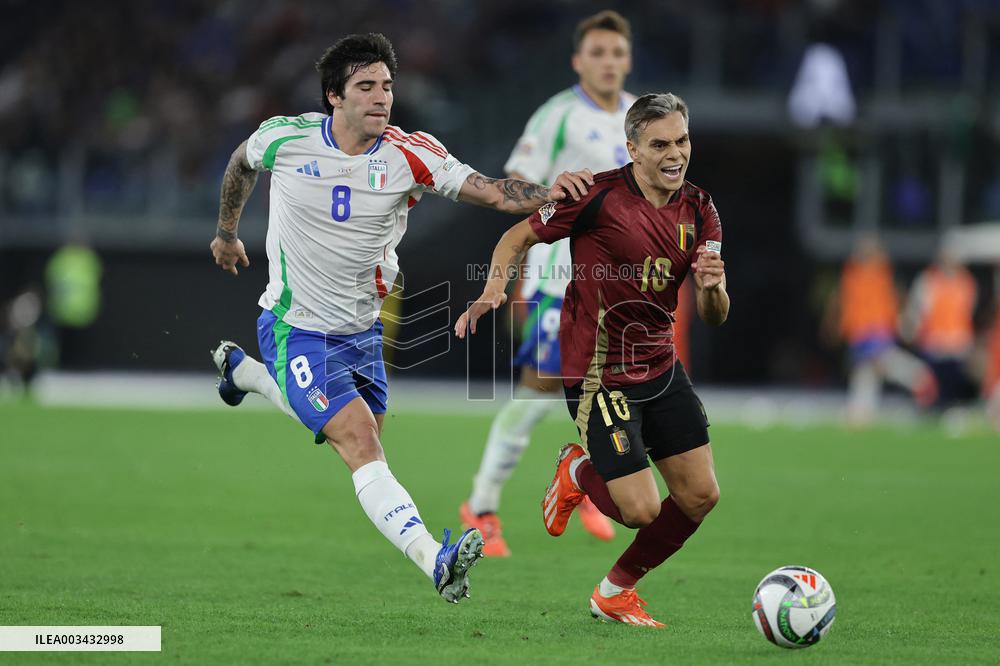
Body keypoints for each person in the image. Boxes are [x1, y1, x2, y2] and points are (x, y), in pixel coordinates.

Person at [207, 33, 592, 604]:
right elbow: (241, 164)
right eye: (366, 86)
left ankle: (249, 375)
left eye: (387, 85)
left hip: (362, 334)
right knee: (360, 441)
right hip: (296, 326)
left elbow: (490, 192)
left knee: (356, 446)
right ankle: (434, 561)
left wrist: (550, 194)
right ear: (334, 97)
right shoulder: (285, 137)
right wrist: (227, 232)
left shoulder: (410, 153)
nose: (381, 97)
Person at [456, 93, 727, 627]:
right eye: (660, 145)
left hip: (660, 365)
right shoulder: (596, 195)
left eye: (683, 141)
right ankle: (577, 468)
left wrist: (713, 289)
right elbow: (516, 236)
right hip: (599, 373)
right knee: (640, 510)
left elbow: (716, 314)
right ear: (632, 148)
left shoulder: (700, 207)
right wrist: (492, 290)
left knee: (699, 495)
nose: (676, 154)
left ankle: (613, 591)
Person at [460, 9, 636, 557]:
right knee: (541, 387)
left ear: (628, 60)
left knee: (613, 393)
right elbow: (513, 182)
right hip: (558, 279)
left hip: (621, 283)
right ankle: (482, 504)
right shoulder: (557, 115)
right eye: (598, 53)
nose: (608, 63)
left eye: (617, 53)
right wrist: (555, 196)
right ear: (578, 61)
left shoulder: (639, 116)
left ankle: (582, 483)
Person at [823, 235, 937, 425]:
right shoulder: (852, 274)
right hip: (858, 330)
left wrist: (906, 321)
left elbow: (896, 298)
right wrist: (833, 324)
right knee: (866, 370)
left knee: (881, 360)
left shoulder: (882, 272)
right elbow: (841, 301)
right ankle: (861, 411)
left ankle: (919, 378)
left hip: (876, 328)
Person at [901, 248, 978, 408]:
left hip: (957, 342)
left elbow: (967, 311)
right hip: (934, 341)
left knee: (955, 381)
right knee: (934, 380)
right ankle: (935, 406)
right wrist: (911, 328)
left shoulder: (966, 282)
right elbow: (917, 309)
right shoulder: (929, 281)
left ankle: (953, 406)